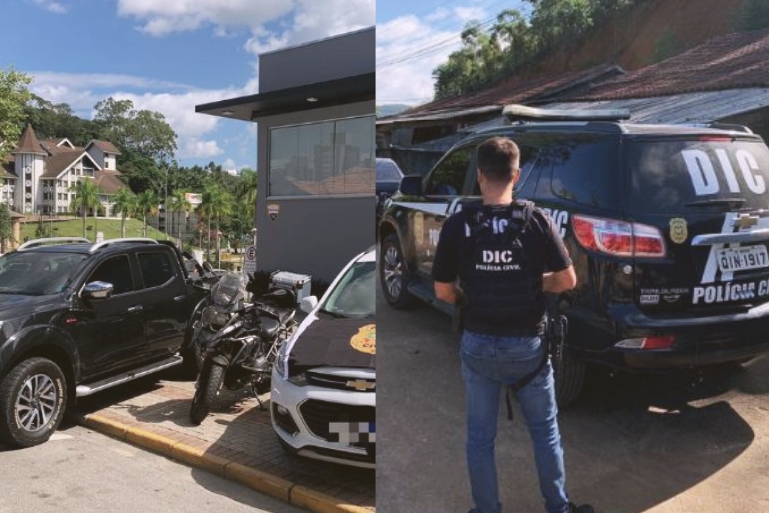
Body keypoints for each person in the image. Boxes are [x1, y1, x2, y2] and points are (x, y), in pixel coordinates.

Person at [431, 136, 592, 513]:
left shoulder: (458, 224)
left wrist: (472, 295)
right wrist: (531, 282)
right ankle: (558, 507)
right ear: (516, 175)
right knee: (545, 432)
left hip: (477, 346)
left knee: (480, 438)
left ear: (480, 175)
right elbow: (567, 280)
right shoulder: (537, 220)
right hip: (528, 349)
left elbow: (442, 291)